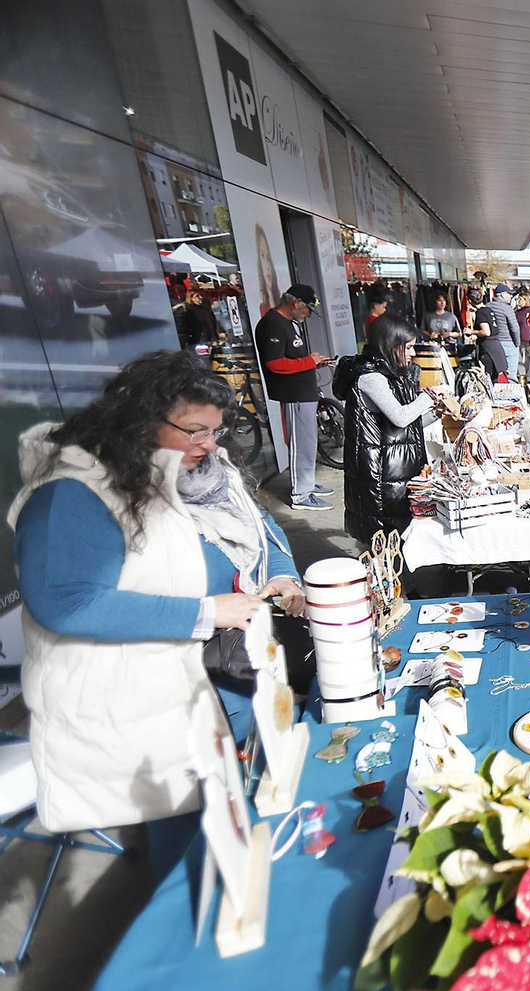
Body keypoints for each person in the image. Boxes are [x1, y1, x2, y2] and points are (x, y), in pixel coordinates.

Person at [8, 351, 304, 848]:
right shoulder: (72, 495)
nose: (209, 445)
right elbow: (65, 603)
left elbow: (262, 526)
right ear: (142, 419)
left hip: (226, 681)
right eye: (195, 431)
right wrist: (207, 612)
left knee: (249, 829)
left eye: (216, 431)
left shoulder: (204, 468)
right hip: (149, 712)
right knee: (200, 852)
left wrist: (281, 575)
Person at [333, 313, 442, 544]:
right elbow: (401, 417)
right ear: (391, 345)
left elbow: (408, 424)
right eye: (408, 347)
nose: (413, 354)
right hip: (379, 472)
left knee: (396, 536)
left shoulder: (391, 373)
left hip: (392, 467)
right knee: (384, 538)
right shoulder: (371, 378)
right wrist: (429, 397)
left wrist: (437, 414)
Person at [256, 283, 334, 510]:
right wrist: (309, 361)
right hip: (293, 394)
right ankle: (301, 494)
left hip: (304, 391)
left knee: (308, 443)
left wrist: (313, 363)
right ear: (297, 303)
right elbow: (274, 363)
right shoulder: (272, 323)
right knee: (300, 444)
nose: (308, 314)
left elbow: (293, 359)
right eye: (308, 309)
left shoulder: (290, 323)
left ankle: (306, 483)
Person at [472, 283, 520, 381]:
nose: (511, 296)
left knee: (495, 374)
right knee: (510, 375)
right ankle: (510, 390)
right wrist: (517, 343)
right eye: (509, 294)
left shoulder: (487, 306)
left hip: (492, 343)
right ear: (502, 295)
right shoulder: (507, 308)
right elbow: (514, 328)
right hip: (508, 341)